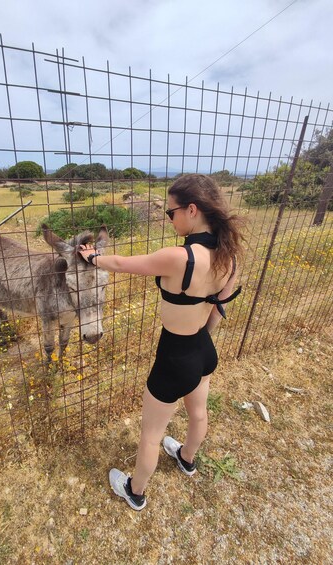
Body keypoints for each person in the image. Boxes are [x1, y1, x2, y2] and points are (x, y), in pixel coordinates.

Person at [78, 173, 245, 511]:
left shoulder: (179, 257)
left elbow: (123, 264)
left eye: (172, 213)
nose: (170, 220)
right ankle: (187, 459)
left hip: (174, 356)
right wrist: (201, 347)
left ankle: (134, 491)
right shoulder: (231, 256)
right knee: (197, 415)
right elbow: (218, 310)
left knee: (150, 434)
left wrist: (92, 257)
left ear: (192, 210)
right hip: (202, 350)